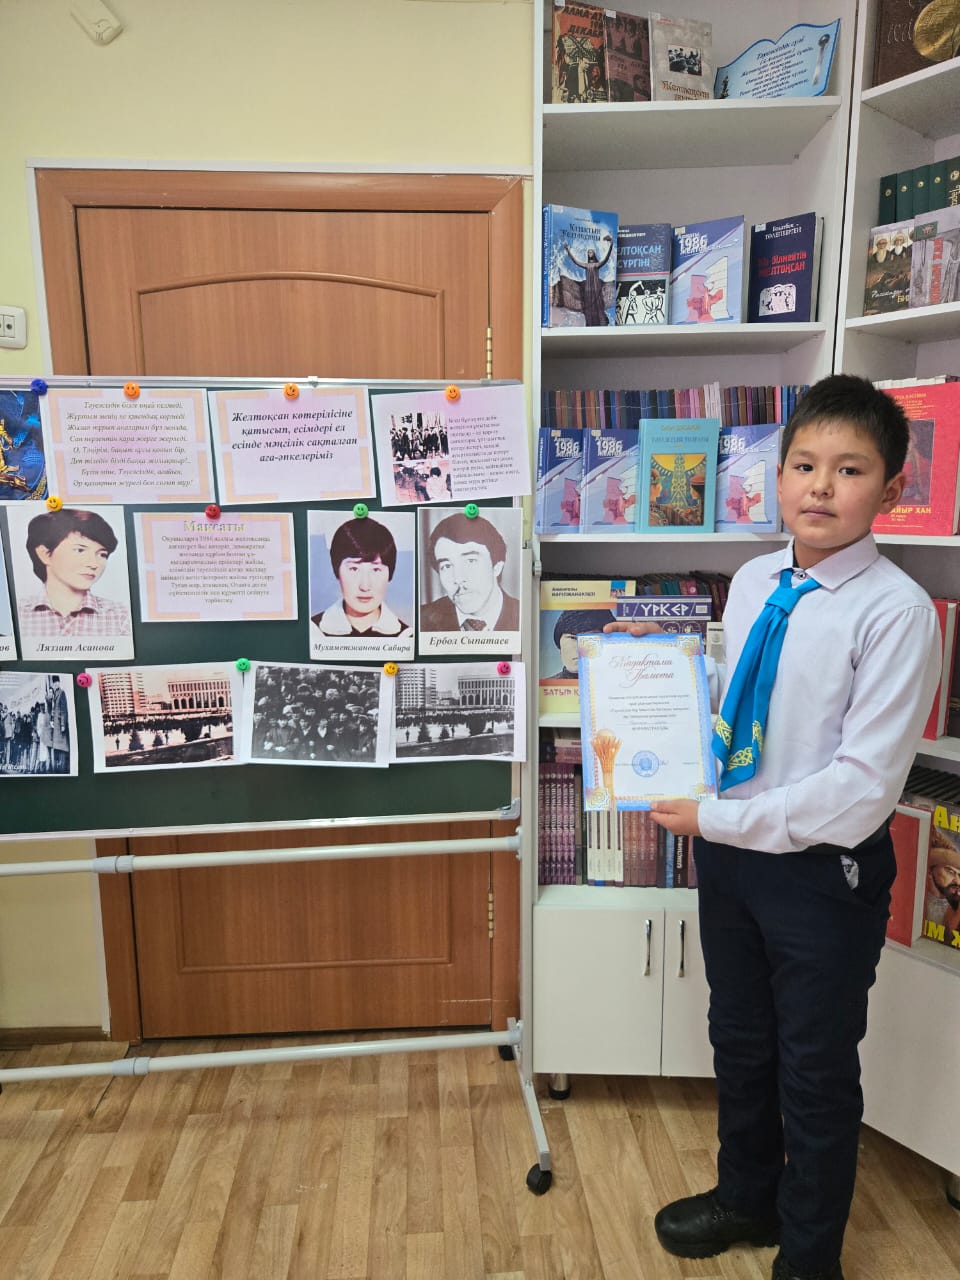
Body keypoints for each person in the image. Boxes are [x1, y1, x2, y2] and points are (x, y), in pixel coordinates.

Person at [607, 375, 941, 1280]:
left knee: (815, 1068)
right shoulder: (757, 579)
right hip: (731, 858)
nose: (820, 487)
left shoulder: (896, 613)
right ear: (777, 474)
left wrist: (719, 817)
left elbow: (861, 791)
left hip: (821, 876)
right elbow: (732, 704)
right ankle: (746, 1197)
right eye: (803, 465)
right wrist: (653, 691)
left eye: (849, 470)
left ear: (891, 489)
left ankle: (809, 1254)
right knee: (740, 1040)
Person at [18, 508, 131, 639]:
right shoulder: (19, 613)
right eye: (80, 550)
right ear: (45, 554)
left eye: (102, 554)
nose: (93, 564)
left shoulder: (120, 616)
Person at [310, 516, 410, 639]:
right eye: (354, 569)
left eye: (376, 570)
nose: (365, 586)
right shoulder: (313, 632)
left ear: (390, 573)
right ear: (337, 571)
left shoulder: (407, 636)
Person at [420, 512, 518, 633]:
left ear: (497, 566)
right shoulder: (421, 620)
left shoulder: (523, 615)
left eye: (471, 561)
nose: (458, 578)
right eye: (447, 566)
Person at [547, 608, 617, 678]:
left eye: (590, 638)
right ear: (559, 643)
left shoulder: (618, 680)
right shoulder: (546, 683)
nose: (580, 648)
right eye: (573, 638)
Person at [563, 234, 614, 327]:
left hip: (596, 287)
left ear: (594, 254)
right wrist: (567, 250)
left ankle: (601, 323)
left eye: (591, 252)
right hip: (588, 288)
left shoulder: (596, 264)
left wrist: (611, 245)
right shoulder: (586, 265)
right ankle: (590, 323)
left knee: (598, 304)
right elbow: (575, 261)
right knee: (589, 305)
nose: (589, 253)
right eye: (588, 252)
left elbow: (606, 258)